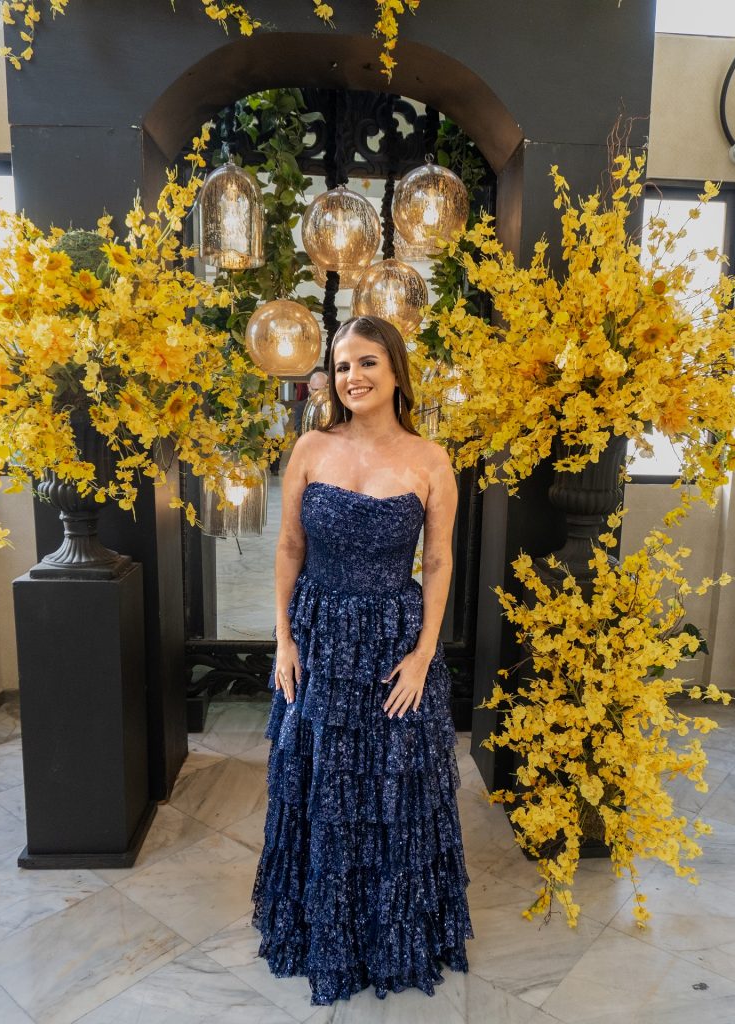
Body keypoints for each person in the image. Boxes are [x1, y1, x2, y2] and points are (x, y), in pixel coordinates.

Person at [251, 315, 473, 1005]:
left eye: (368, 362)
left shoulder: (431, 461)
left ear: (397, 371)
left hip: (393, 645)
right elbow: (289, 548)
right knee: (317, 786)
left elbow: (437, 562)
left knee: (394, 795)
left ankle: (392, 936)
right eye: (344, 365)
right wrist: (285, 640)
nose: (355, 376)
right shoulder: (311, 448)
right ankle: (327, 931)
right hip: (318, 638)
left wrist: (423, 655)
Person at [261, 397, 290, 476]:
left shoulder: (264, 408)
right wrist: (282, 424)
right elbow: (286, 420)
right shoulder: (281, 407)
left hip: (269, 434)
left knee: (271, 451)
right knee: (278, 451)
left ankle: (272, 467)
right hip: (279, 433)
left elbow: (262, 421)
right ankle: (276, 468)